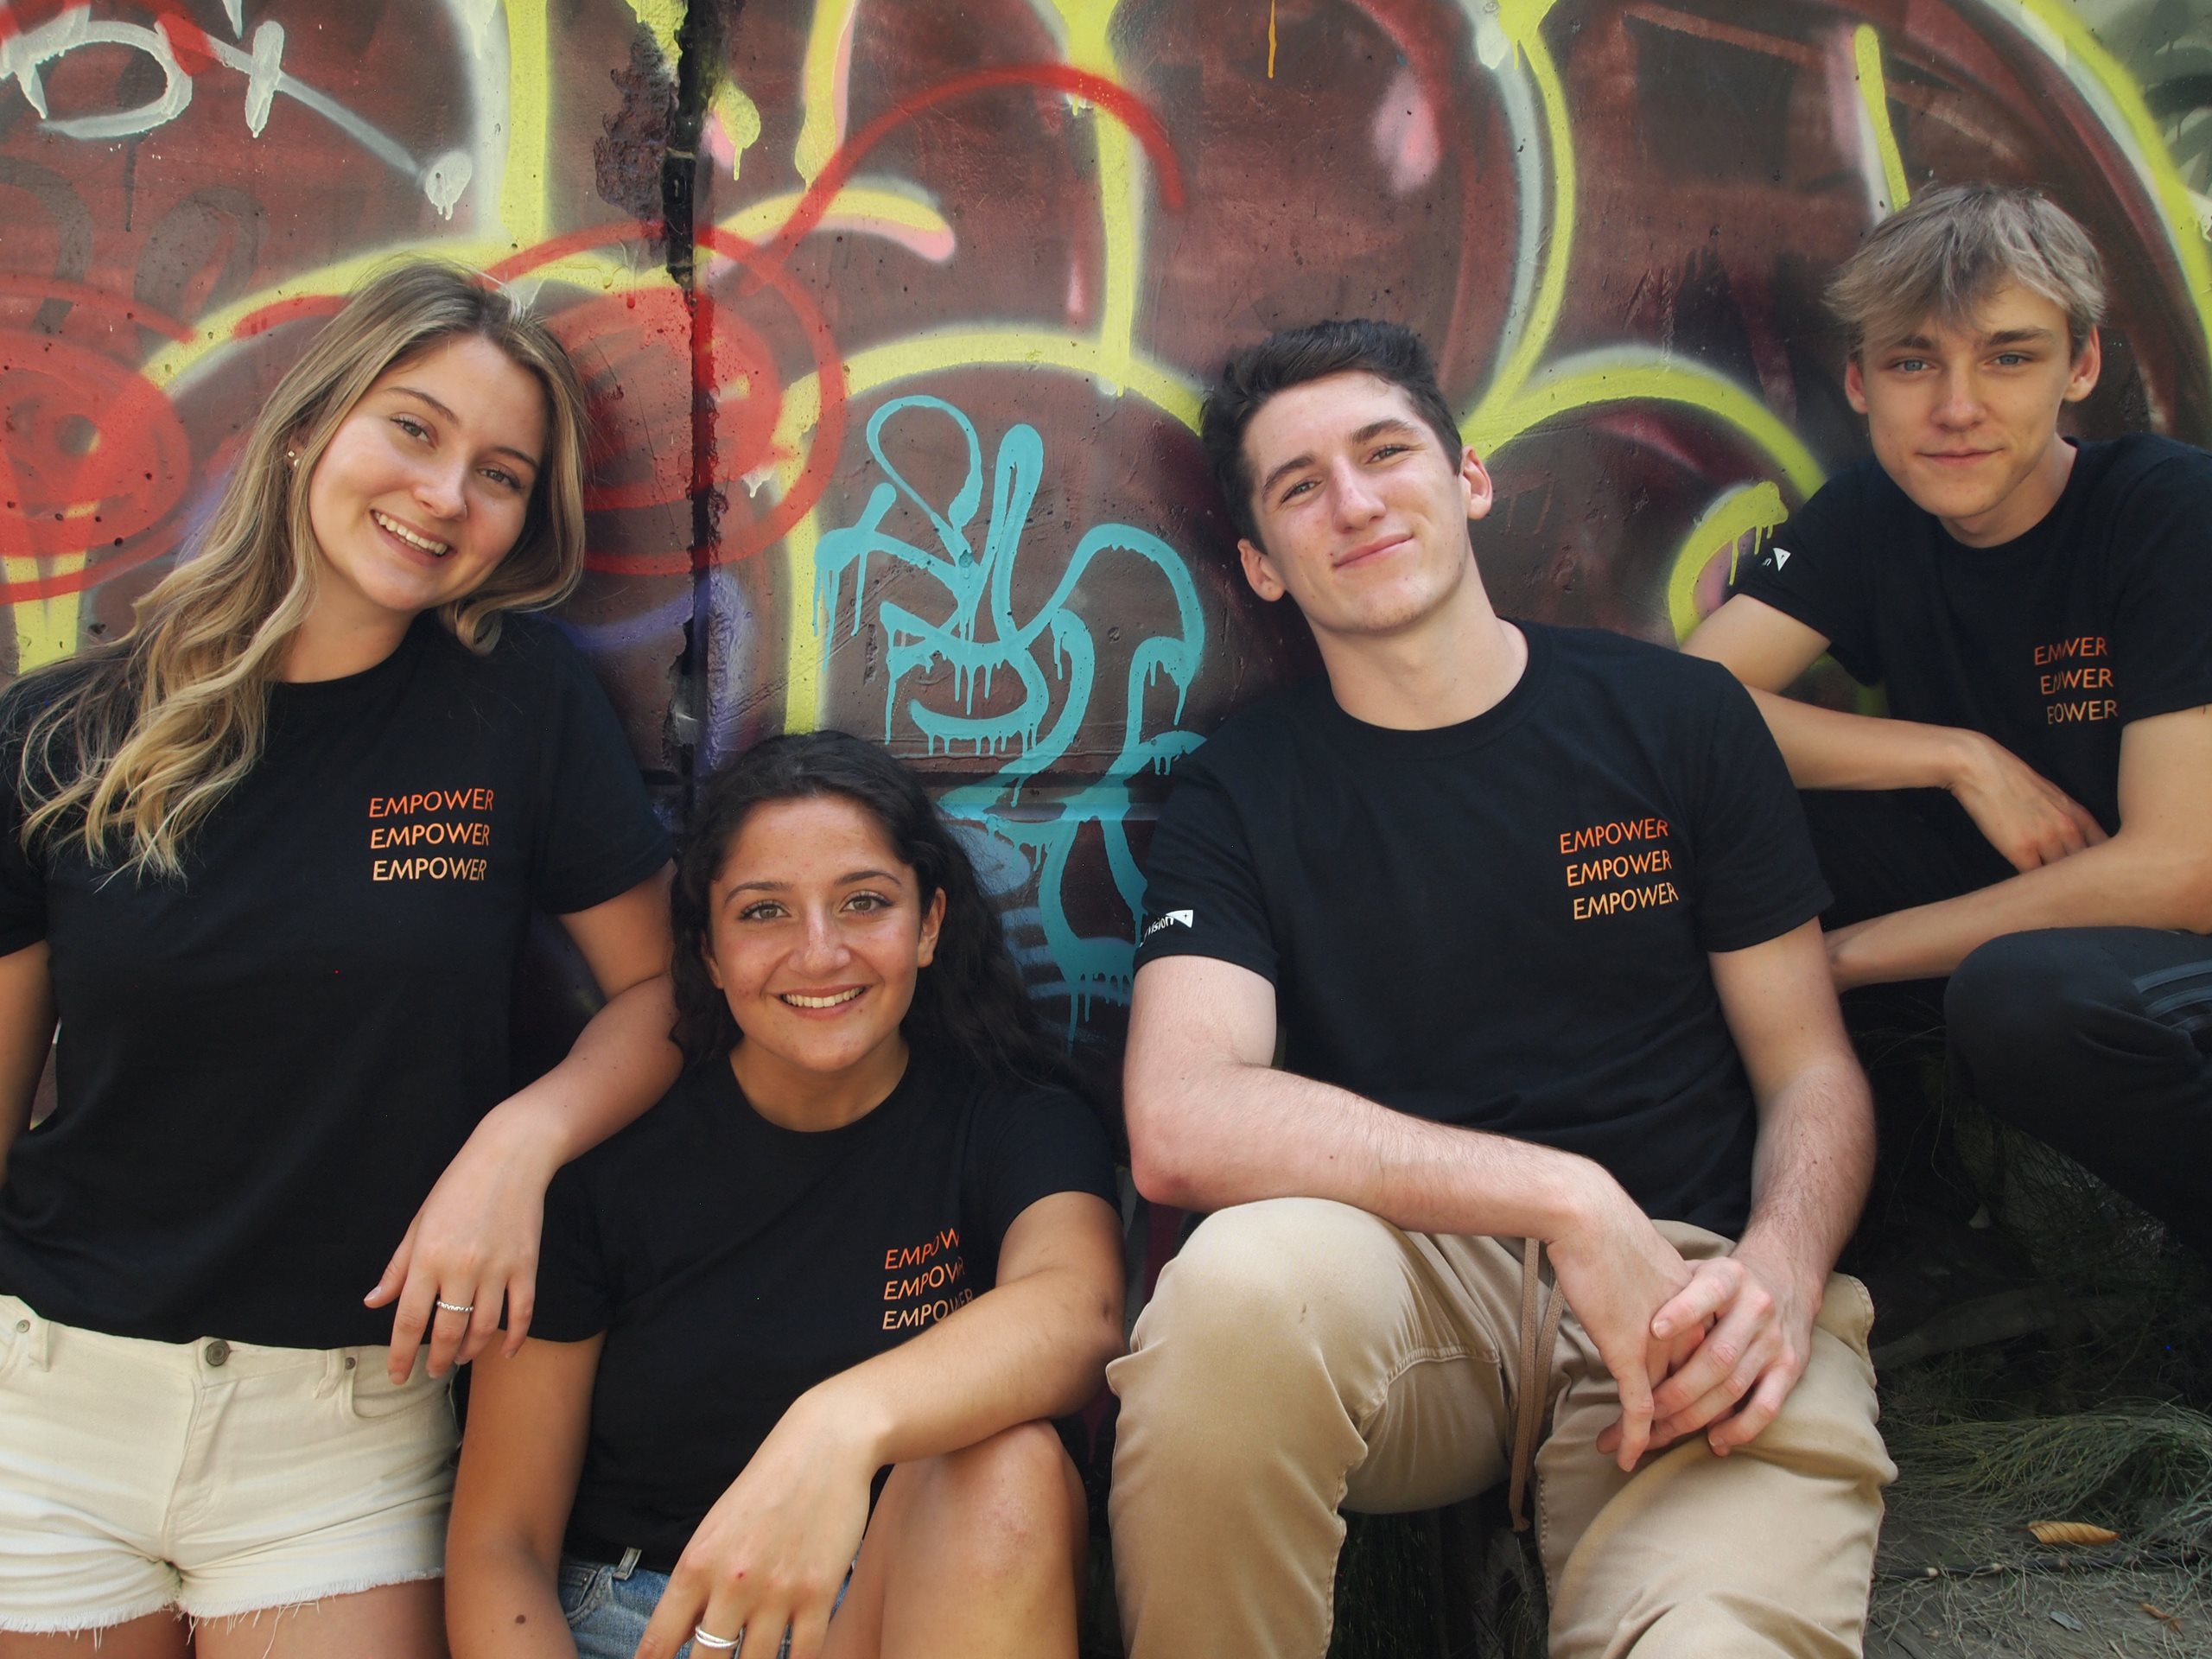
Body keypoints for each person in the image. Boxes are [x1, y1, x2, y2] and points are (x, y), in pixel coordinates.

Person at [1109, 320, 1893, 1657]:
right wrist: (1560, 1196)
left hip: (1691, 1287)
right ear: (1260, 563)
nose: (1354, 503)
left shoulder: (1676, 719)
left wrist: (1783, 1268)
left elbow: (1811, 1067)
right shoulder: (1241, 789)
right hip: (1412, 1296)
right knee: (1235, 1289)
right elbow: (1181, 1120)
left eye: (1383, 453)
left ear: (1467, 479)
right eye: (1300, 487)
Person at [0, 263, 681, 1656]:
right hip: (49, 1401)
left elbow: (668, 996)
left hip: (347, 1419)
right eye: (414, 431)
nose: (446, 498)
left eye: (500, 474)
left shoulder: (515, 708)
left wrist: (517, 1144)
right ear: (311, 427)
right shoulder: (62, 732)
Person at [445, 731, 1124, 1659]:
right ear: (710, 955)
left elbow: (1076, 1315)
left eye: (864, 904)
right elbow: (500, 1544)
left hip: (897, 1612)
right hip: (643, 1620)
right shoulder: (610, 1163)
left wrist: (833, 1429)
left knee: (1010, 1467)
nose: (820, 952)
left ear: (929, 924)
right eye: (765, 912)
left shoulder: (1009, 1119)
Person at [1683, 183, 2212, 1255]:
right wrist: (1956, 759)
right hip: (2041, 888)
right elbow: (1689, 711)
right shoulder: (1870, 515)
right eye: (1913, 362)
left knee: (2021, 993)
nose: (1955, 407)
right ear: (1859, 381)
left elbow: (2180, 872)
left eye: (2009, 357)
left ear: (2082, 365)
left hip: (2176, 929)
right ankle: (1911, 1248)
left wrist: (1834, 961)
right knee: (1741, 853)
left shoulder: (2166, 510)